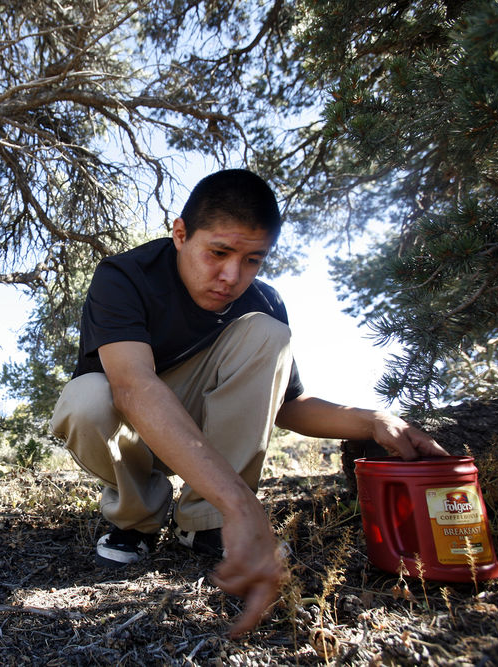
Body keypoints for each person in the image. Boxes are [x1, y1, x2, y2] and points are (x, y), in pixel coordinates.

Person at [50, 168, 447, 637]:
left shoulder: (262, 302)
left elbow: (288, 405)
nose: (231, 276)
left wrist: (372, 420)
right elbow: (134, 387)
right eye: (218, 252)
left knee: (268, 333)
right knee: (87, 397)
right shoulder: (125, 276)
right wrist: (243, 505)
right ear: (180, 234)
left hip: (204, 431)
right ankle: (138, 519)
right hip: (133, 424)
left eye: (253, 259)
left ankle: (204, 522)